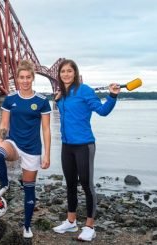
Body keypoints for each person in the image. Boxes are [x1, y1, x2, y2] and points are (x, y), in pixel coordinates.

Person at [52, 59, 121, 241]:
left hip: (84, 145)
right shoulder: (63, 95)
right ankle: (71, 221)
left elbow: (103, 111)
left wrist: (112, 96)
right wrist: (57, 100)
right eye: (62, 71)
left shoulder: (85, 90)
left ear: (75, 73)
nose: (66, 74)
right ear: (59, 75)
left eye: (69, 71)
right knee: (70, 184)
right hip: (67, 146)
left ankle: (90, 226)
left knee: (86, 184)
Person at [0, 60, 51, 238]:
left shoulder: (42, 101)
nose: (25, 80)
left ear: (33, 78)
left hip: (32, 149)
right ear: (17, 79)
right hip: (14, 143)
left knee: (29, 188)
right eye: (21, 77)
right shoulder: (10, 99)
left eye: (28, 77)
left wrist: (47, 154)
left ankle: (26, 226)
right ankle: (4, 184)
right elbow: (4, 124)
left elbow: (46, 129)